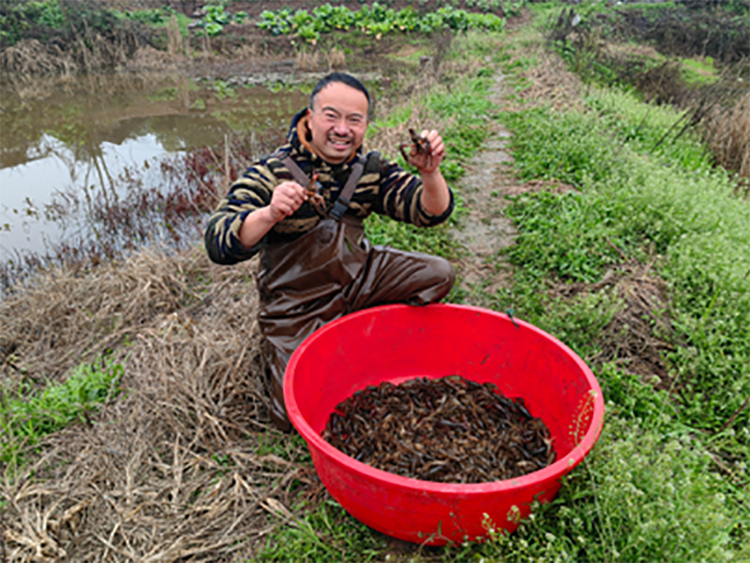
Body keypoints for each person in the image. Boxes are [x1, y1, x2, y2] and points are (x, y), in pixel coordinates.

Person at [204, 72, 456, 431]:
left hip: (358, 279)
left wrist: (430, 174)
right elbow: (217, 241)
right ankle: (306, 347)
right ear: (309, 116)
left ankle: (360, 333)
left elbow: (429, 212)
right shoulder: (271, 171)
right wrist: (268, 214)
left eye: (355, 120)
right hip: (295, 303)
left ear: (366, 124)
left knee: (439, 275)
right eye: (331, 116)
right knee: (293, 416)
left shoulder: (370, 170)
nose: (342, 129)